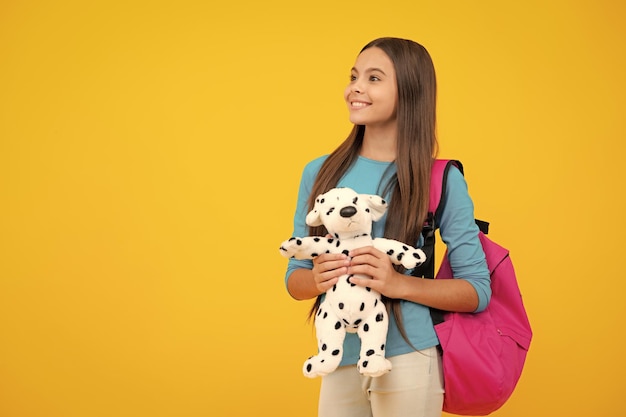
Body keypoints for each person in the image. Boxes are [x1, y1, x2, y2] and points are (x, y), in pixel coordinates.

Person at [283, 37, 491, 417]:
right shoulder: (318, 172)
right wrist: (316, 279)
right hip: (338, 359)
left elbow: (477, 291)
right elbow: (294, 280)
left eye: (373, 78)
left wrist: (397, 283)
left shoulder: (439, 178)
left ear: (409, 92)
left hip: (410, 359)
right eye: (354, 76)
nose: (355, 88)